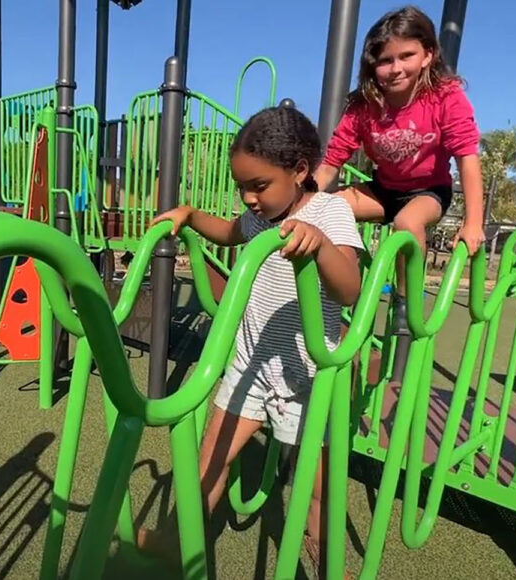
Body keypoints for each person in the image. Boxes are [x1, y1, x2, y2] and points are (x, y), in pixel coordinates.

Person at [137, 105, 363, 575]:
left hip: (307, 375)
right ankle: (179, 542)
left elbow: (349, 289)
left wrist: (318, 243)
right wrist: (192, 214)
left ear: (299, 171)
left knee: (318, 483)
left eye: (259, 185)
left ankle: (324, 555)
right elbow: (227, 232)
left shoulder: (329, 211)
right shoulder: (258, 218)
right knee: (209, 464)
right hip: (251, 366)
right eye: (242, 186)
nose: (249, 197)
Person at [313, 5, 485, 332]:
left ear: (427, 55)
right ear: (372, 65)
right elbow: (331, 163)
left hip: (428, 191)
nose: (395, 68)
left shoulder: (445, 97)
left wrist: (473, 222)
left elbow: (467, 158)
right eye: (385, 61)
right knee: (327, 206)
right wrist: (302, 201)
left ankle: (406, 301)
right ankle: (345, 275)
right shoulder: (365, 106)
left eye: (406, 56)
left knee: (407, 222)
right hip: (383, 190)